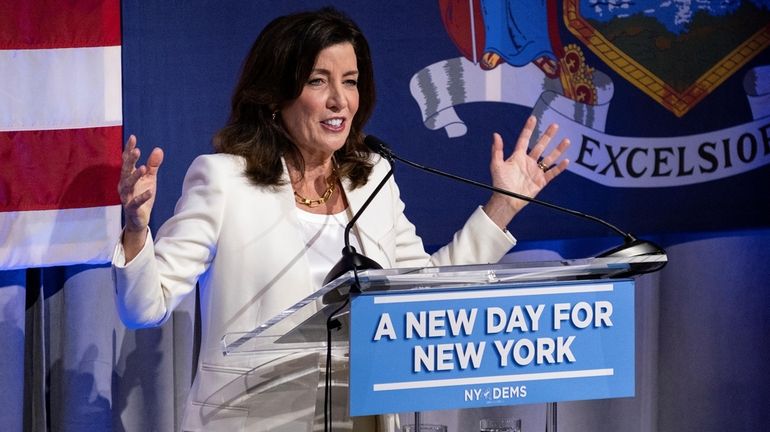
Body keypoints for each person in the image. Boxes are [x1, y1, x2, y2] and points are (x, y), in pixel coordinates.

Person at [113, 7, 570, 432]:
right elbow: (144, 309)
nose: (339, 101)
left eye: (349, 82)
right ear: (276, 96)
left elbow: (428, 290)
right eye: (318, 81)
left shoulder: (373, 180)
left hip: (363, 418)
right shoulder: (224, 180)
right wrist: (137, 230)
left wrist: (504, 204)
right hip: (254, 421)